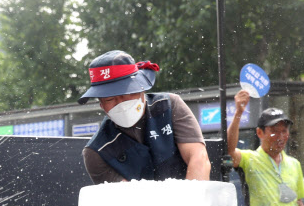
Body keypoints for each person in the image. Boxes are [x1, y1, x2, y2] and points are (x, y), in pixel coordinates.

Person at [78, 50, 211, 183]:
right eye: (110, 99)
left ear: (141, 89)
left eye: (127, 93)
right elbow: (124, 197)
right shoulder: (97, 151)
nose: (121, 103)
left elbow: (198, 158)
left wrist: (191, 201)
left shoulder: (170, 106)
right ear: (101, 104)